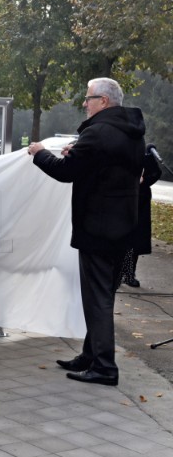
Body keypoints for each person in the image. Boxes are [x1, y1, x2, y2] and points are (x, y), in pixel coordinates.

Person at [28, 77, 145, 387]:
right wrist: (77, 150)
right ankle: (90, 355)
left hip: (98, 228)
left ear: (103, 102)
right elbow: (103, 164)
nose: (84, 103)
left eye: (89, 98)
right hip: (123, 227)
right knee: (103, 294)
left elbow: (65, 172)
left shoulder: (98, 132)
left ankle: (105, 367)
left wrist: (39, 152)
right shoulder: (131, 132)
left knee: (98, 299)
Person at [121, 143, 163, 287]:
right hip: (122, 200)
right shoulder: (120, 149)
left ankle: (129, 274)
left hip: (141, 201)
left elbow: (157, 173)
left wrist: (144, 180)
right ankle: (118, 273)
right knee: (121, 238)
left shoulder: (146, 153)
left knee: (135, 240)